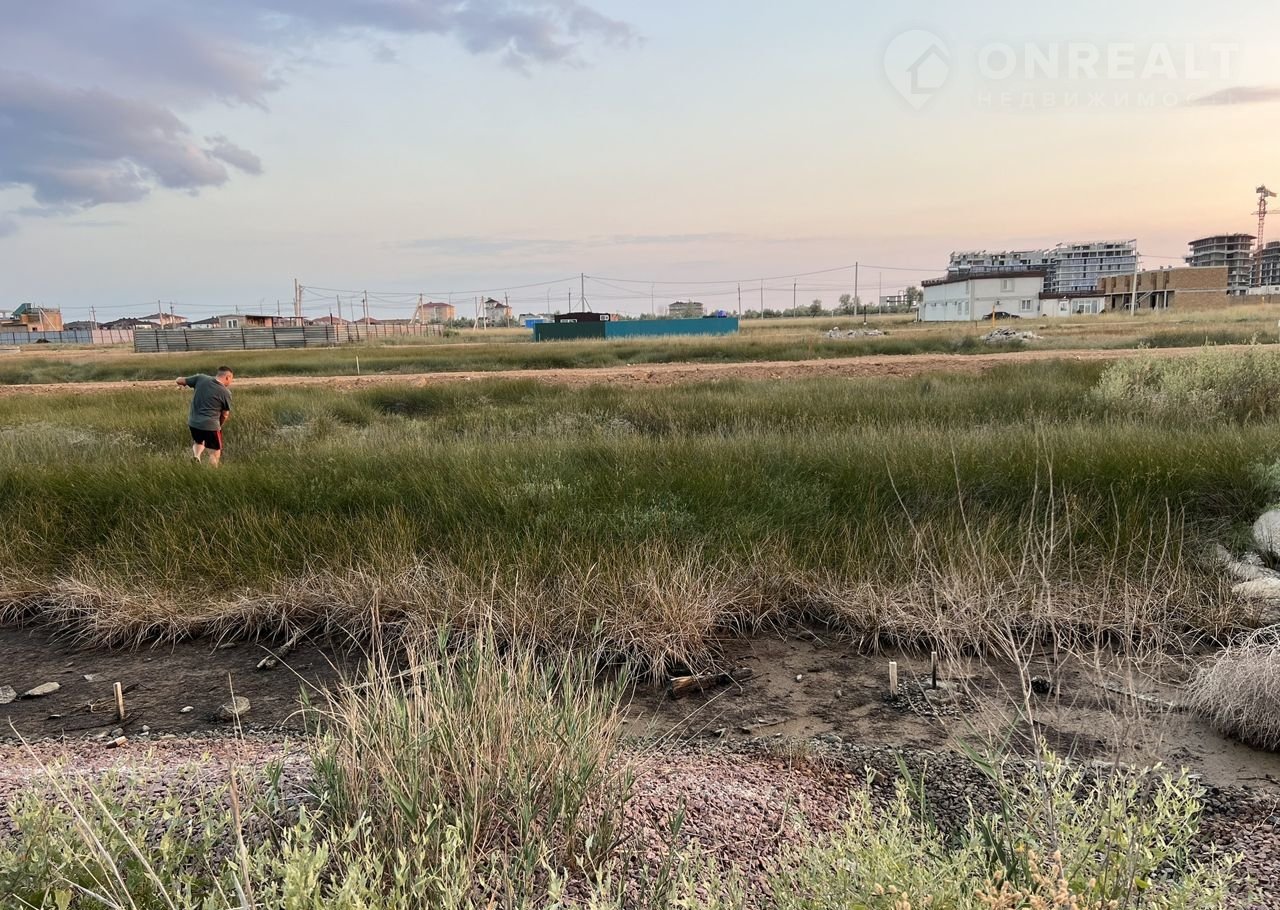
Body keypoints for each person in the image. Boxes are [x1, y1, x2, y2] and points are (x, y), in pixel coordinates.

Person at [176, 367, 234, 466]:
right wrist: (219, 425)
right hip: (211, 425)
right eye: (231, 379)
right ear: (227, 377)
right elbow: (225, 414)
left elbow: (179, 381)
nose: (230, 382)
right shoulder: (226, 392)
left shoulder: (201, 378)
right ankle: (213, 471)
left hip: (193, 423)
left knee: (198, 441)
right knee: (214, 452)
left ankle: (197, 456)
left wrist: (180, 379)